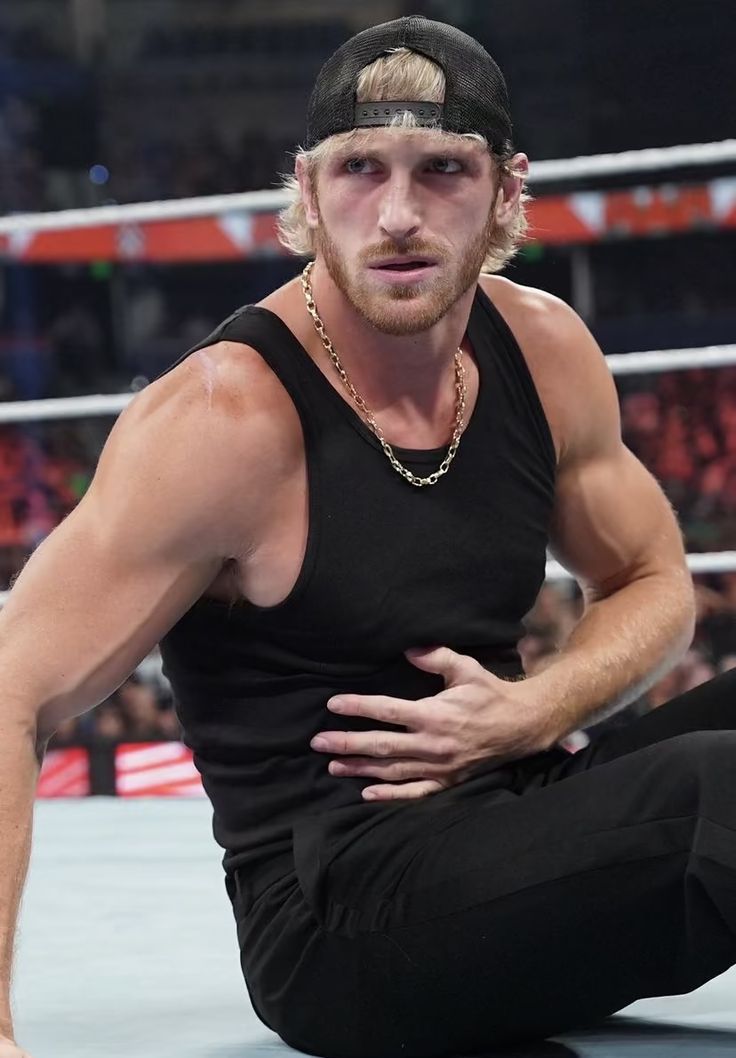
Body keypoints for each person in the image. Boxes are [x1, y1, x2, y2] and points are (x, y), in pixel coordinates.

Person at [1, 15, 735, 1058]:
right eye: (359, 170)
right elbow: (12, 682)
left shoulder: (541, 347)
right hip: (341, 919)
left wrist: (533, 707)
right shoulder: (224, 420)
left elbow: (652, 575)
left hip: (516, 819)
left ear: (506, 191)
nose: (396, 214)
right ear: (306, 192)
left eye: (442, 168)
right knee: (718, 786)